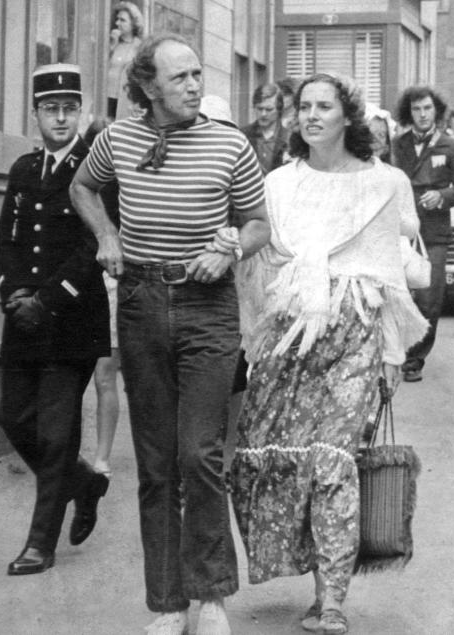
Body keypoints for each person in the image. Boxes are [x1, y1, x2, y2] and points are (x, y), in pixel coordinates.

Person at [70, 34, 270, 635]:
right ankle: (168, 603)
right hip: (140, 302)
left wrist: (229, 245)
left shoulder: (229, 143)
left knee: (199, 454)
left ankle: (210, 597)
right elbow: (82, 186)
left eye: (196, 75)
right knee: (156, 462)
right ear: (148, 86)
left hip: (209, 306)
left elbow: (259, 223)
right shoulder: (118, 139)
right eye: (180, 77)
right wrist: (106, 235)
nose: (194, 85)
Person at [229, 73, 428, 635]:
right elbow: (258, 267)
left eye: (325, 106)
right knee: (277, 461)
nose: (311, 116)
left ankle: (331, 598)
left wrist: (392, 355)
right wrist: (252, 341)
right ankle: (314, 578)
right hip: (287, 336)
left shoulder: (384, 183)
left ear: (349, 116)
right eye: (304, 107)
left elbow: (390, 275)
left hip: (354, 334)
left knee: (335, 462)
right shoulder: (278, 185)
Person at [0, 64, 111, 575]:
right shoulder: (23, 170)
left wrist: (48, 299)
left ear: (81, 111)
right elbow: (8, 239)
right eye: (50, 109)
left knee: (56, 433)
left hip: (71, 320)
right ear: (36, 114)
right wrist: (16, 292)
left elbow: (92, 246)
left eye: (69, 108)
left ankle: (40, 543)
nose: (61, 118)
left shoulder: (97, 170)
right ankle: (83, 483)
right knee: (14, 418)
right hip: (24, 318)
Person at [391, 85, 454, 382]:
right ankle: (394, 352)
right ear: (408, 112)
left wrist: (442, 196)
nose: (422, 114)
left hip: (434, 233)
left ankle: (414, 360)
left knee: (428, 298)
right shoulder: (396, 144)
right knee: (396, 292)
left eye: (427, 108)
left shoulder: (451, 145)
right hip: (398, 230)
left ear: (436, 111)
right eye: (416, 109)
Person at [82, 119, 121, 478]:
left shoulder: (122, 188)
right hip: (80, 286)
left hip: (113, 283)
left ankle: (102, 457)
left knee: (105, 375)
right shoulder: (78, 186)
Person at [240, 83, 290, 175]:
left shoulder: (289, 138)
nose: (263, 114)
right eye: (260, 108)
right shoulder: (242, 136)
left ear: (279, 109)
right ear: (254, 108)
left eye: (269, 109)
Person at [107, 1, 145, 120]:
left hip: (125, 101)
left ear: (133, 24)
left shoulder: (140, 47)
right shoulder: (111, 42)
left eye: (122, 20)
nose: (117, 23)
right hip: (106, 98)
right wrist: (111, 47)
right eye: (117, 19)